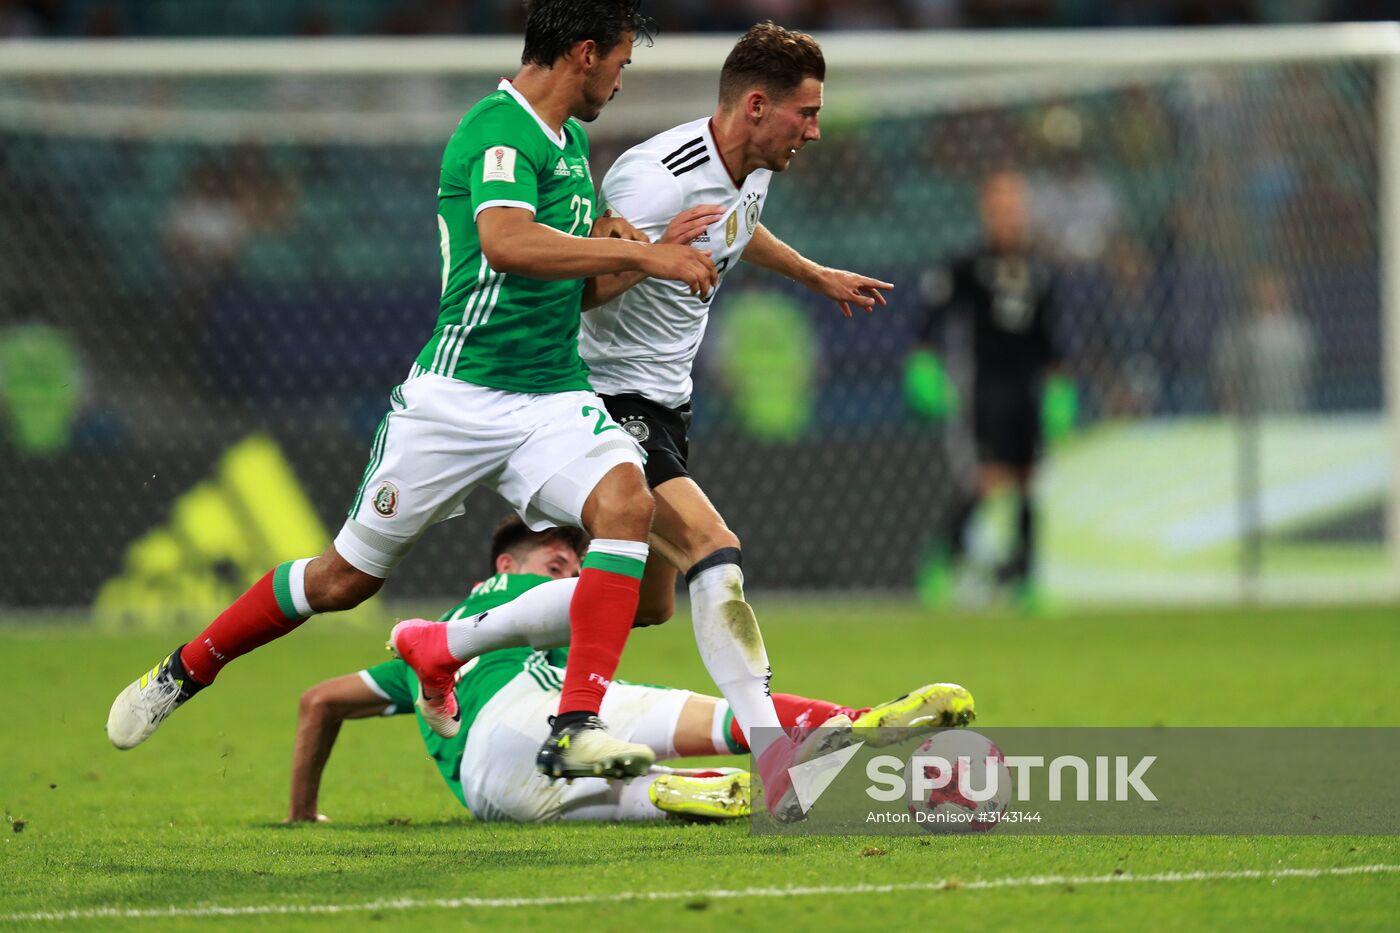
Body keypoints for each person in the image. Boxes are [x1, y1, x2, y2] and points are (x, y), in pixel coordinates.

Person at [107, 0, 720, 785]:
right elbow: (505, 243)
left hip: (550, 396)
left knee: (627, 505)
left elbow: (572, 290)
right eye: (622, 62)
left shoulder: (568, 143)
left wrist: (639, 255)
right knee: (343, 580)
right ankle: (187, 667)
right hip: (457, 401)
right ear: (585, 53)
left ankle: (575, 726)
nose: (622, 81)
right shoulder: (499, 130)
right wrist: (638, 254)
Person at [386, 21, 894, 821]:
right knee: (713, 546)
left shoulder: (751, 166)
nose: (815, 130)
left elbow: (737, 225)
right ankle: (774, 756)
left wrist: (812, 272)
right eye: (807, 113)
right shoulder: (653, 178)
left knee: (647, 604)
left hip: (668, 403)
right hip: (606, 395)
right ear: (756, 107)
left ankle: (443, 643)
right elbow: (578, 289)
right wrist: (650, 251)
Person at [288, 517, 976, 824]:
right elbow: (646, 606)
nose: (570, 573)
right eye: (557, 563)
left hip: (501, 776)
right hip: (529, 715)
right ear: (505, 566)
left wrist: (302, 814)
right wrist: (645, 523)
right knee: (730, 717)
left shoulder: (425, 656)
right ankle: (852, 724)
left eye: (574, 565)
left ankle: (686, 790)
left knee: (659, 779)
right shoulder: (523, 600)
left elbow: (318, 702)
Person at [906, 169, 1074, 607]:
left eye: (1015, 207)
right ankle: (942, 560)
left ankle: (1026, 580)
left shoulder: (1039, 271)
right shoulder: (967, 266)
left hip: (1027, 390)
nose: (1009, 216)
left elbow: (1051, 337)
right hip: (984, 387)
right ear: (986, 213)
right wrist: (923, 362)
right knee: (988, 479)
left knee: (1029, 481)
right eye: (1000, 207)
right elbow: (930, 317)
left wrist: (1060, 384)